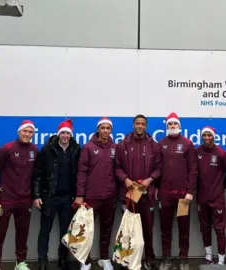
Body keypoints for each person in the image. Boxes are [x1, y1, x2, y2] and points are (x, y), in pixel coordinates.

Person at [0, 120, 39, 270]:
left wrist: (34, 196)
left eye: (30, 132)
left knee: (23, 234)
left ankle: (20, 263)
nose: (27, 134)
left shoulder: (34, 150)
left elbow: (36, 175)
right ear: (19, 132)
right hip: (5, 200)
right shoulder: (6, 149)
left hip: (25, 200)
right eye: (25, 131)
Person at [32, 119, 81, 270]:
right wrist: (36, 195)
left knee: (65, 231)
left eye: (68, 133)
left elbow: (81, 174)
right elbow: (37, 174)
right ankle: (42, 261)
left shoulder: (76, 149)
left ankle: (63, 259)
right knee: (44, 231)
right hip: (49, 198)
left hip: (68, 199)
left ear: (71, 135)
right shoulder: (47, 150)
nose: (65, 136)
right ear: (58, 134)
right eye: (63, 133)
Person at [115, 114, 162, 270]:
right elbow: (117, 167)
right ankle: (126, 259)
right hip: (128, 195)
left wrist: (150, 180)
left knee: (147, 229)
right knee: (128, 229)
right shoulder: (123, 145)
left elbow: (159, 168)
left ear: (146, 126)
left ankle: (149, 259)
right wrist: (125, 179)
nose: (140, 126)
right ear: (133, 125)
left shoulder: (153, 145)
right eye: (137, 123)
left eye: (143, 124)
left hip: (146, 195)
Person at [76, 117, 117, 270]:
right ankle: (85, 261)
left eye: (108, 128)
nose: (105, 131)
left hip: (109, 197)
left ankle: (104, 258)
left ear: (111, 130)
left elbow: (118, 171)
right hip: (91, 197)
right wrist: (80, 194)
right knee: (86, 230)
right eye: (103, 128)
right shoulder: (88, 147)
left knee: (107, 230)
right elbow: (82, 172)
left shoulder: (115, 147)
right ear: (98, 129)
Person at [157, 112, 197, 270]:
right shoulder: (161, 144)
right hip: (165, 195)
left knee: (183, 228)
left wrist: (190, 191)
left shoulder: (187, 144)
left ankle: (183, 259)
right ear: (167, 127)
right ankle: (166, 258)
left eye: (175, 124)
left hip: (182, 196)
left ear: (179, 126)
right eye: (170, 125)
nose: (172, 127)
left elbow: (193, 169)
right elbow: (157, 168)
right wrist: (157, 190)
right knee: (165, 228)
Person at [195, 126, 226, 265]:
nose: (207, 137)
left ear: (214, 136)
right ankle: (208, 257)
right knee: (205, 228)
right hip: (202, 198)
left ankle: (221, 260)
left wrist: (219, 187)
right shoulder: (197, 152)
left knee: (219, 230)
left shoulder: (220, 153)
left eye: (209, 135)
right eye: (205, 135)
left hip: (217, 199)